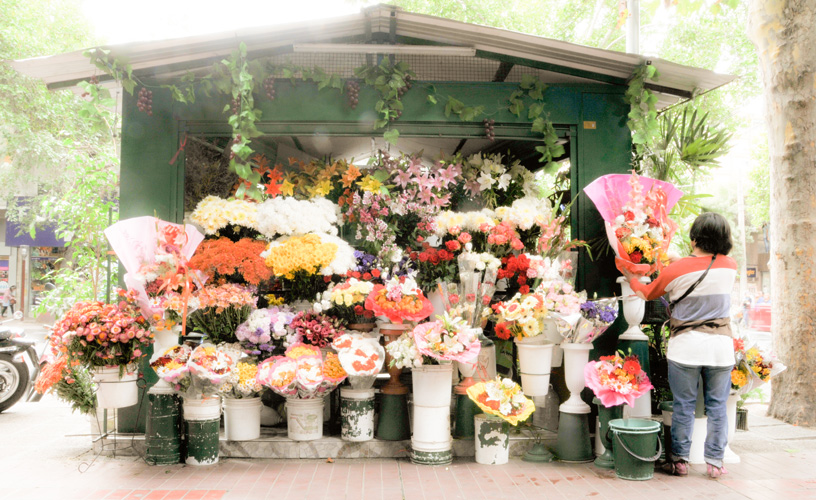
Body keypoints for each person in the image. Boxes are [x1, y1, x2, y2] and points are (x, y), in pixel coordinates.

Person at [624, 212, 736, 479]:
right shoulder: (730, 266)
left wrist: (630, 277)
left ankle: (679, 461)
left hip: (686, 347)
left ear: (694, 238)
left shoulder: (677, 269)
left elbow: (646, 293)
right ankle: (715, 463)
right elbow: (703, 266)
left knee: (684, 404)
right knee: (717, 407)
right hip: (720, 348)